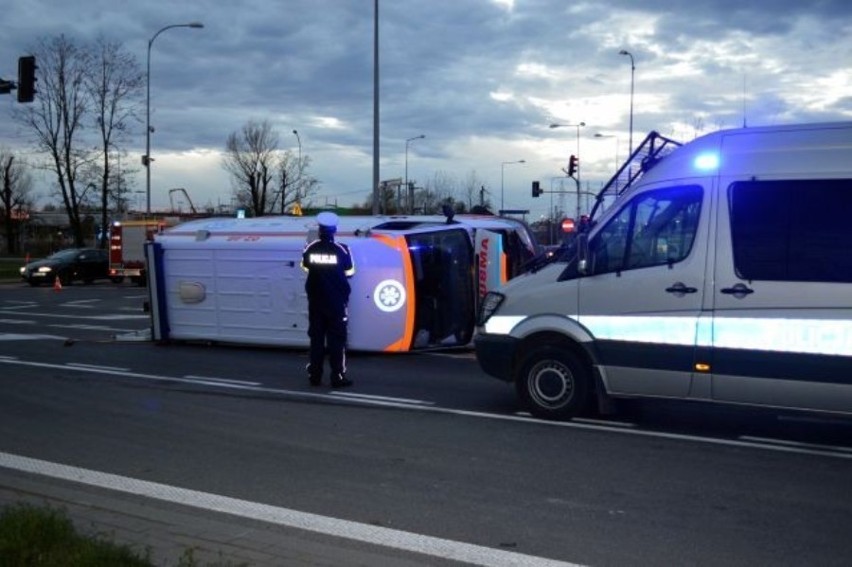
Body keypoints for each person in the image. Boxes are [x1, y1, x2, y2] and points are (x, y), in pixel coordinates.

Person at [300, 212, 355, 388]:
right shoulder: (342, 249)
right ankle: (337, 377)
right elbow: (350, 271)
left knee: (316, 340)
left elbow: (305, 266)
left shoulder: (310, 248)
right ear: (334, 230)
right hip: (337, 304)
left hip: (316, 302)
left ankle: (314, 376)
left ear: (320, 230)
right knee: (337, 341)